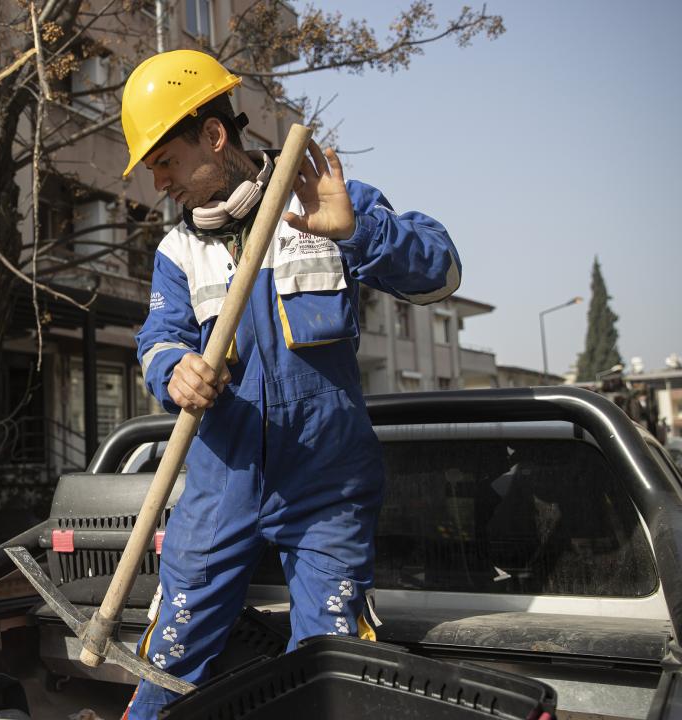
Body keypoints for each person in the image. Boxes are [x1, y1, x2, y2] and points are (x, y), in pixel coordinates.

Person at [120, 50, 461, 718]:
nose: (158, 183)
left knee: (326, 673)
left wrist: (358, 232)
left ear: (214, 136)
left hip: (327, 489)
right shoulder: (176, 253)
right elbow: (156, 340)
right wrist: (173, 368)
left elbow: (442, 273)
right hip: (221, 490)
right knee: (166, 664)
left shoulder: (325, 202)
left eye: (165, 161)